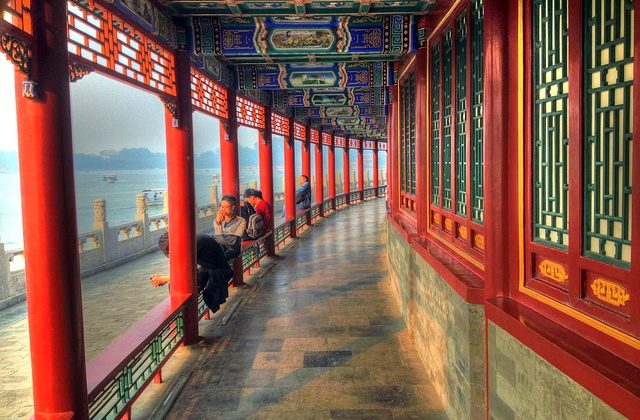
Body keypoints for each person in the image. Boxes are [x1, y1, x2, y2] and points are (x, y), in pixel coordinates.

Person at [149, 233, 234, 313]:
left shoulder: (194, 244)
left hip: (219, 273)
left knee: (177, 285)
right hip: (213, 268)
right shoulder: (193, 240)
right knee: (178, 283)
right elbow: (184, 269)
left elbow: (186, 272)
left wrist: (164, 278)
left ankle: (182, 316)